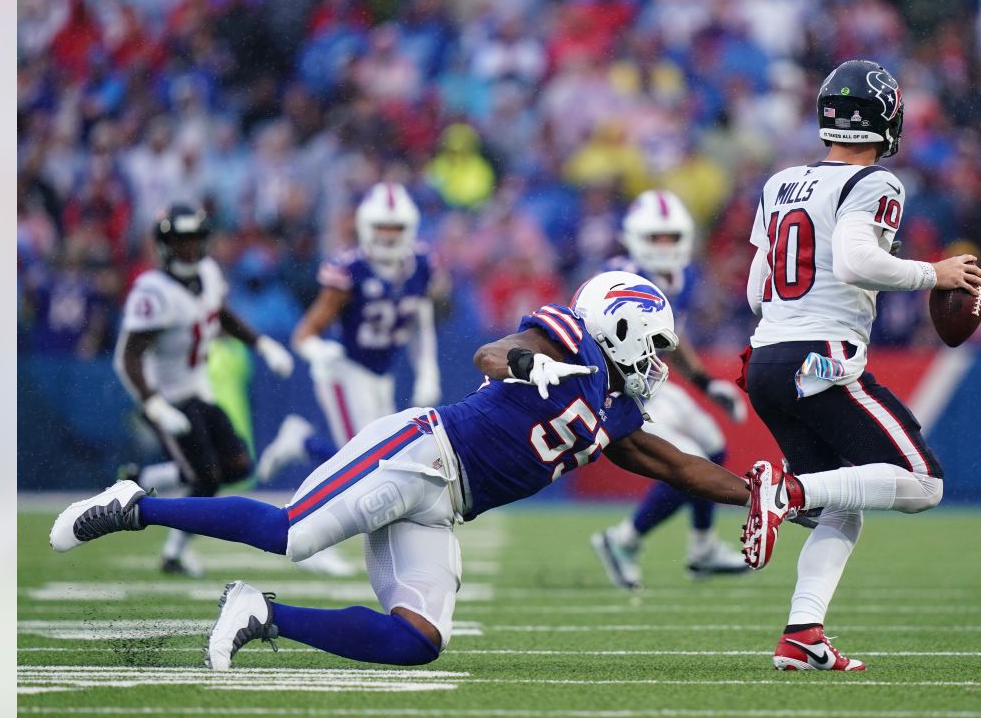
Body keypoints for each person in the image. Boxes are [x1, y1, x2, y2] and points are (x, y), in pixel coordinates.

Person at [52, 271, 753, 670]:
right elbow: (491, 353)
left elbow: (684, 468)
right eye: (654, 342)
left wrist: (767, 495)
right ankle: (135, 504)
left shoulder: (619, 413)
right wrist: (525, 363)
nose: (659, 360)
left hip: (444, 504)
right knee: (292, 532)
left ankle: (262, 613)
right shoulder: (567, 339)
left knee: (418, 640)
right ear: (622, 325)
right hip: (418, 452)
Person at [737, 60, 981, 671]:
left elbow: (753, 289)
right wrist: (936, 273)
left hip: (767, 359)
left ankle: (802, 634)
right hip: (819, 361)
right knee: (924, 483)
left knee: (844, 506)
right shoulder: (874, 183)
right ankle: (786, 492)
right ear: (886, 118)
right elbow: (853, 262)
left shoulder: (781, 183)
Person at [111, 204, 296, 577]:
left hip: (200, 387)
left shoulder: (209, 274)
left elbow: (220, 313)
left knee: (238, 465)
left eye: (195, 241)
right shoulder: (153, 292)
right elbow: (127, 357)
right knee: (205, 477)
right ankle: (174, 554)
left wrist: (261, 344)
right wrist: (153, 403)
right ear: (165, 246)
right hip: (168, 395)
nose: (189, 250)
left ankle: (140, 481)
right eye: (181, 242)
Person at [590, 189, 752, 591]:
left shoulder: (675, 276)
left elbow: (668, 336)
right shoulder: (620, 279)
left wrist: (706, 383)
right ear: (633, 238)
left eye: (670, 237)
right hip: (618, 393)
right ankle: (622, 540)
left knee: (712, 443)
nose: (664, 247)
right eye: (655, 238)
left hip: (647, 386)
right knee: (691, 460)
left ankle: (702, 549)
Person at [255, 183, 441, 484]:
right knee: (368, 463)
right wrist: (320, 351)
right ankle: (301, 443)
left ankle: (300, 440)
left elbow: (421, 318)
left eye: (396, 227)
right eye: (382, 227)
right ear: (366, 226)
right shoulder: (350, 270)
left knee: (383, 459)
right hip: (345, 370)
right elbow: (304, 334)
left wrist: (428, 372)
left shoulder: (420, 264)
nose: (389, 235)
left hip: (382, 374)